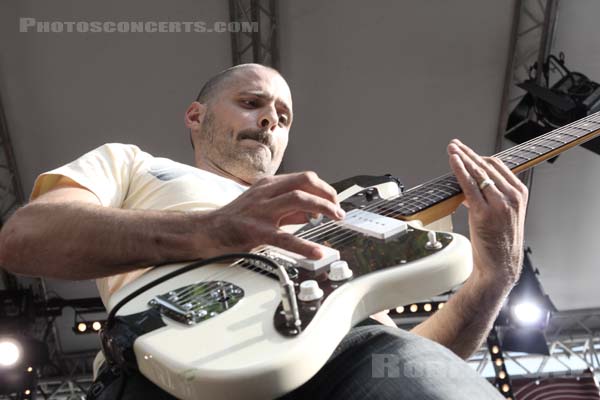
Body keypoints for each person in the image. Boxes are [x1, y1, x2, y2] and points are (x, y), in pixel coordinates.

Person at [0, 63, 528, 399]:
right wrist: (212, 228)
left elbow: (411, 366)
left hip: (352, 362)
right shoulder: (133, 164)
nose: (271, 120)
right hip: (168, 371)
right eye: (251, 103)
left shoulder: (340, 217)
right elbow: (26, 236)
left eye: (284, 115)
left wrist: (493, 279)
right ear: (195, 115)